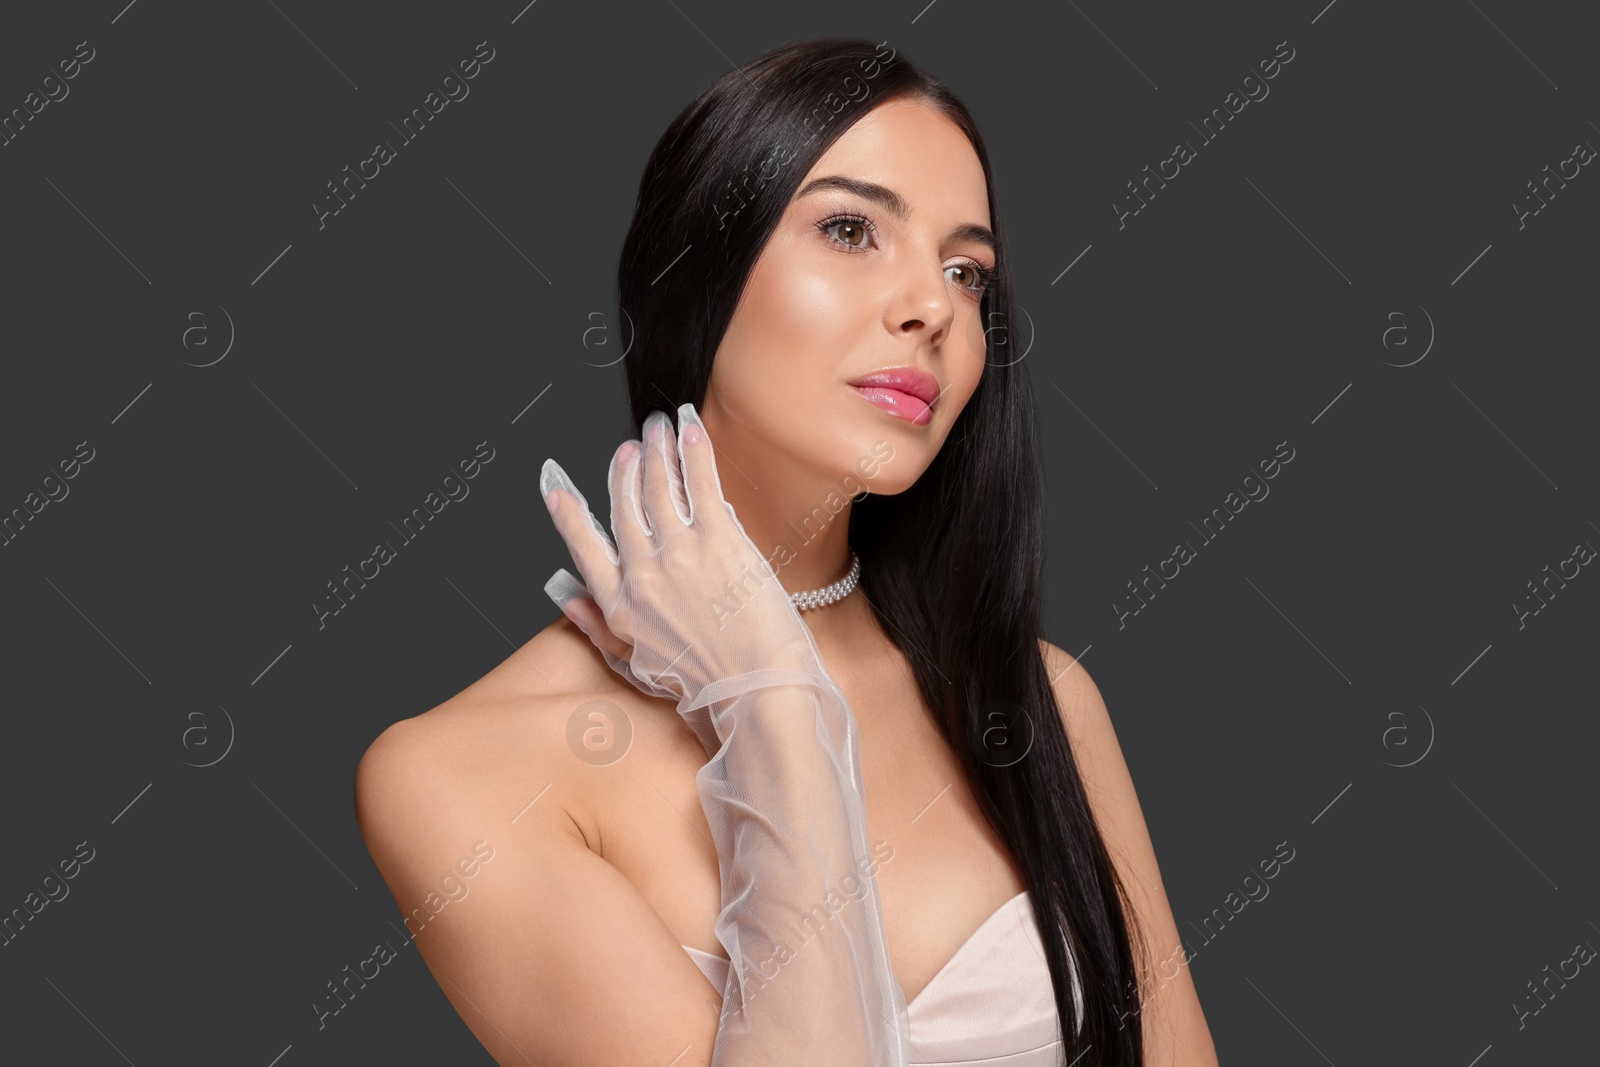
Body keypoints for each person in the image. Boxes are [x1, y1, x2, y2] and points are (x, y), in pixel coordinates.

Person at [355, 36, 1218, 1066]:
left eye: (966, 270)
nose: (932, 307)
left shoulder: (1038, 702)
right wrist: (770, 708)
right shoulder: (458, 776)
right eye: (851, 228)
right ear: (695, 273)